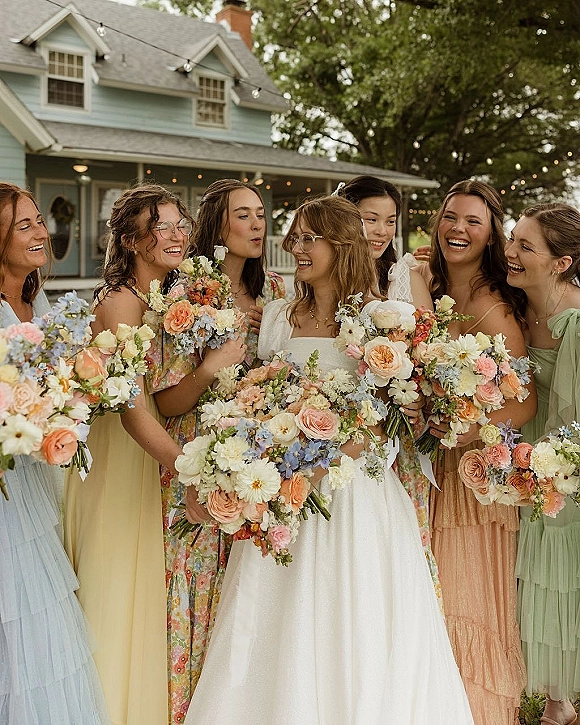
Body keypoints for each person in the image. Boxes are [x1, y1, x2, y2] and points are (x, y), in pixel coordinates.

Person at [184, 195, 474, 725]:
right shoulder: (274, 317)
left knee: (355, 620)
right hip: (286, 496)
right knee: (277, 623)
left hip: (354, 495)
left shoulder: (380, 319)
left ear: (340, 245)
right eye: (294, 237)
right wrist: (267, 463)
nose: (296, 246)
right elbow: (258, 396)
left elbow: (391, 417)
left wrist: (327, 459)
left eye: (308, 238)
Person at [149, 179, 285, 723]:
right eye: (244, 215)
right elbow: (167, 402)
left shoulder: (277, 290)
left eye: (261, 214)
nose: (257, 224)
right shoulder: (187, 294)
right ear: (218, 227)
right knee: (200, 588)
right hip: (200, 457)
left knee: (249, 596)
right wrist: (212, 364)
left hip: (262, 464)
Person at [64, 184, 189, 725]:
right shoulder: (120, 303)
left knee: (144, 595)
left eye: (180, 223)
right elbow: (132, 408)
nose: (177, 234)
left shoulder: (167, 297)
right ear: (134, 241)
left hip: (150, 459)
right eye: (162, 226)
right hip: (121, 460)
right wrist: (189, 468)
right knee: (115, 589)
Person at [426, 180, 537, 725]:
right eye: (450, 217)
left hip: (474, 478)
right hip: (427, 468)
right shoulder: (425, 283)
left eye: (473, 221)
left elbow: (522, 402)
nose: (458, 229)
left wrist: (464, 431)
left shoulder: (495, 303)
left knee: (469, 603)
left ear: (492, 232)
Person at [0, 183, 109, 723]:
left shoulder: (35, 296)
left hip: (38, 472)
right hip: (7, 485)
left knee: (45, 605)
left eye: (39, 220)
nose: (42, 232)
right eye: (25, 226)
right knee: (20, 609)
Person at [338, 175, 441, 601]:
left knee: (395, 561)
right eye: (369, 219)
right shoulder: (326, 283)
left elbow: (430, 354)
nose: (381, 231)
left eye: (389, 221)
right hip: (341, 438)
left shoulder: (404, 276)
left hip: (399, 434)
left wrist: (414, 401)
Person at [507, 203, 580, 725]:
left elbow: (573, 421)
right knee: (530, 576)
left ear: (562, 262)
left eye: (525, 247)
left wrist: (546, 466)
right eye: (512, 240)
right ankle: (552, 704)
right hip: (521, 462)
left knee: (559, 575)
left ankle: (563, 702)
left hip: (565, 468)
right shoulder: (512, 308)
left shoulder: (575, 321)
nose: (510, 252)